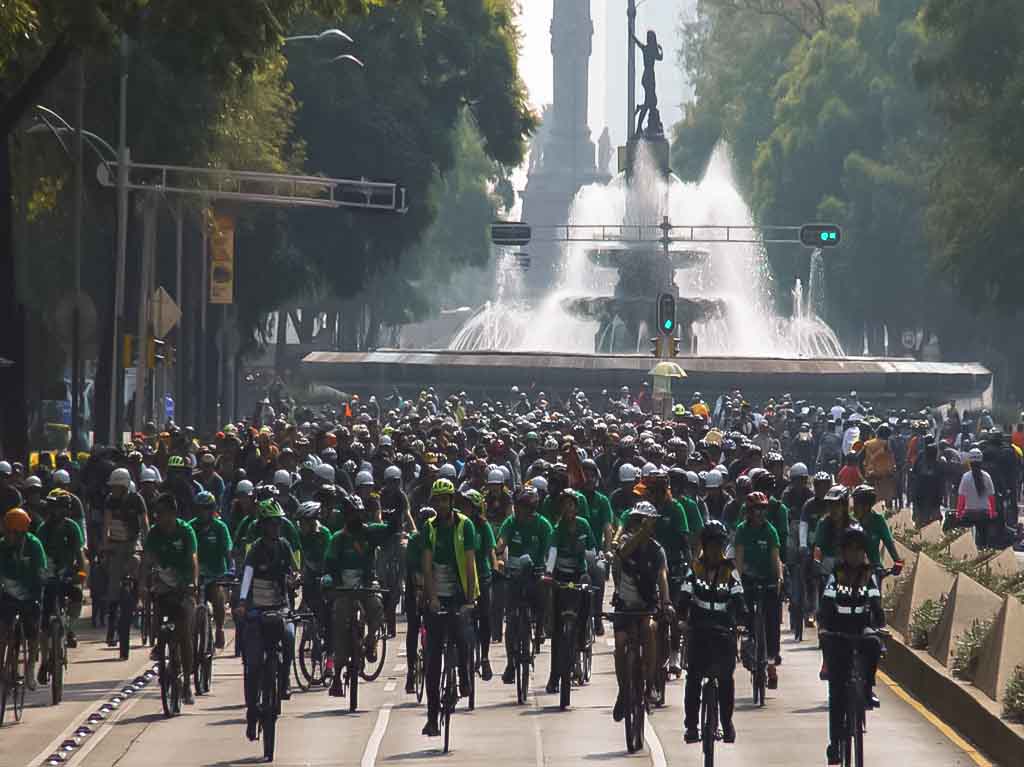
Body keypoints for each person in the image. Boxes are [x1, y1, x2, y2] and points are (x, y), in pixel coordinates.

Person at [819, 524, 885, 765]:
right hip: (838, 632)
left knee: (874, 644)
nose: (855, 554)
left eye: (859, 550)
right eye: (850, 549)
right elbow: (827, 601)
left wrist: (879, 617)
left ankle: (867, 688)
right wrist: (824, 621)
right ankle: (835, 744)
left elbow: (876, 601)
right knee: (837, 692)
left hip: (862, 629)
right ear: (843, 552)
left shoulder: (869, 575)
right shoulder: (835, 575)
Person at [420, 478, 479, 736]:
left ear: (452, 501)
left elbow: (469, 562)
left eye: (446, 499)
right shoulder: (429, 528)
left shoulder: (465, 526)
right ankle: (432, 718)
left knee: (462, 637)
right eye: (438, 500)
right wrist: (432, 598)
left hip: (459, 593)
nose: (442, 504)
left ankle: (465, 678)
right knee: (433, 662)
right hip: (436, 595)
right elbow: (427, 566)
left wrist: (469, 599)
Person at [235, 499, 298, 741]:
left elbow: (294, 571)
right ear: (263, 526)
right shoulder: (255, 550)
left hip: (280, 607)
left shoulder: (284, 546)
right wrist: (242, 603)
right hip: (256, 611)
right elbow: (247, 577)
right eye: (271, 524)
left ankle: (284, 680)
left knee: (290, 635)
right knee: (252, 665)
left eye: (278, 523)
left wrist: (295, 580)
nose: (276, 528)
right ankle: (252, 713)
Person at [680, 520, 744, 745]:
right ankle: (690, 726)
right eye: (711, 545)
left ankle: (727, 724)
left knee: (726, 679)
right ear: (704, 547)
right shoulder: (695, 568)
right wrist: (680, 619)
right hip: (699, 631)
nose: (715, 550)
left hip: (724, 632)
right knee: (694, 677)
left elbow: (739, 599)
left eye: (719, 545)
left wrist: (743, 623)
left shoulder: (730, 571)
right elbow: (685, 595)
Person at [610, 503, 671, 722]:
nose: (642, 526)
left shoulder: (657, 550)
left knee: (651, 629)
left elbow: (662, 576)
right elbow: (624, 553)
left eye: (647, 522)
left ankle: (651, 683)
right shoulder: (626, 542)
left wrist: (666, 602)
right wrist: (640, 534)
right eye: (638, 521)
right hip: (625, 606)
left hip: (646, 607)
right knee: (619, 643)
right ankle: (623, 691)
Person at [323, 493, 389, 696]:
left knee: (377, 606)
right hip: (344, 587)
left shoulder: (371, 533)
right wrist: (335, 584)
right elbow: (330, 565)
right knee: (340, 621)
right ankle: (337, 675)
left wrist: (393, 517)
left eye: (359, 514)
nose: (356, 519)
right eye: (352, 515)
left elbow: (392, 530)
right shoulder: (338, 539)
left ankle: (371, 641)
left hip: (367, 584)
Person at [140, 493, 199, 705]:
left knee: (184, 635)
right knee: (157, 609)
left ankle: (187, 684)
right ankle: (158, 643)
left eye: (164, 514)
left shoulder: (186, 531)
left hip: (184, 584)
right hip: (163, 582)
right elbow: (147, 561)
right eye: (158, 515)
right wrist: (142, 586)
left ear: (173, 514)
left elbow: (193, 560)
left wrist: (192, 584)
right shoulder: (154, 534)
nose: (160, 519)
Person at [495, 485, 552, 683]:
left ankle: (540, 626)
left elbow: (550, 551)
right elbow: (501, 541)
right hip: (515, 573)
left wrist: (548, 570)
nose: (520, 511)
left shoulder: (543, 525)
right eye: (518, 506)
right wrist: (499, 553)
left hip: (536, 573)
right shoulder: (510, 523)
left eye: (525, 507)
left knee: (544, 590)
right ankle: (511, 663)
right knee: (511, 621)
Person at [543, 489, 596, 694]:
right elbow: (553, 551)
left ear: (576, 507)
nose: (568, 508)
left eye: (571, 504)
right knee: (557, 630)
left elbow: (593, 547)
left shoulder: (584, 525)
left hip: (579, 575)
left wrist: (597, 556)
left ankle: (582, 636)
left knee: (586, 593)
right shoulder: (557, 529)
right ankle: (554, 676)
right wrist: (549, 572)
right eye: (564, 504)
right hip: (561, 577)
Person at [733, 491, 783, 689]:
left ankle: (771, 665)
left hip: (768, 579)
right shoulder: (742, 530)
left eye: (763, 509)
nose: (759, 513)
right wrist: (737, 581)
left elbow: (775, 557)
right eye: (756, 510)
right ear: (749, 512)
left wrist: (779, 577)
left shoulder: (770, 530)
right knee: (745, 613)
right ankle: (746, 640)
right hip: (748, 580)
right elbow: (738, 560)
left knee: (772, 620)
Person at [36, 490, 86, 684]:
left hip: (66, 574)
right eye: (54, 507)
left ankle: (70, 627)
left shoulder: (72, 527)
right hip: (48, 575)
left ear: (67, 509)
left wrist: (81, 575)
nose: (57, 511)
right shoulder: (43, 529)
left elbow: (80, 555)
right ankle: (45, 659)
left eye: (61, 507)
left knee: (77, 596)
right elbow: (38, 554)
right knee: (44, 624)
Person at [102, 467, 149, 649]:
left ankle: (137, 595)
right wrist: (105, 545)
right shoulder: (110, 500)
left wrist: (146, 546)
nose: (113, 489)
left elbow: (144, 523)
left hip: (133, 541)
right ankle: (112, 627)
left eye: (116, 486)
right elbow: (106, 524)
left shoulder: (136, 499)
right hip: (115, 542)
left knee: (137, 563)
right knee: (113, 585)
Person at [0, 508, 46, 690]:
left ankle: (30, 669)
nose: (11, 536)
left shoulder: (34, 545)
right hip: (8, 595)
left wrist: (41, 581)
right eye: (8, 532)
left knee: (33, 633)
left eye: (15, 533)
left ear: (22, 533)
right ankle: (5, 668)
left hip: (30, 595)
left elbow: (41, 571)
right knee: (3, 630)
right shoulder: (2, 546)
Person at [459, 489, 497, 681]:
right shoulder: (458, 525)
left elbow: (491, 551)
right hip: (462, 577)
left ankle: (484, 656)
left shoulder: (483, 526)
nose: (464, 510)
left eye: (468, 506)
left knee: (485, 616)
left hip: (482, 576)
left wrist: (496, 567)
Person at [188, 491, 233, 649]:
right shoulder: (191, 526)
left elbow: (228, 552)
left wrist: (230, 571)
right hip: (195, 576)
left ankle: (219, 629)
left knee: (218, 597)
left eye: (206, 508)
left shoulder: (220, 527)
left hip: (215, 575)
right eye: (200, 508)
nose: (202, 512)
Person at [404, 506, 435, 693]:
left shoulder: (438, 538)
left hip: (433, 586)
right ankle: (410, 670)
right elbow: (413, 569)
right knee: (413, 627)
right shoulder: (414, 541)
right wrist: (419, 593)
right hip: (415, 587)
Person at [850, 485, 903, 573]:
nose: (854, 508)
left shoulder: (878, 520)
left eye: (857, 504)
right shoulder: (850, 520)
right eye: (854, 503)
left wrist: (897, 561)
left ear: (867, 506)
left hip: (874, 568)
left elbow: (889, 542)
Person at [956, 448, 998, 548]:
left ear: (969, 462)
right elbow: (991, 497)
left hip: (969, 514)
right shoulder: (987, 476)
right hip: (984, 514)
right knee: (984, 540)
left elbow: (961, 498)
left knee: (966, 540)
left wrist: (959, 513)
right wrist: (992, 512)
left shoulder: (965, 477)